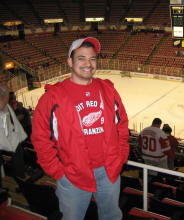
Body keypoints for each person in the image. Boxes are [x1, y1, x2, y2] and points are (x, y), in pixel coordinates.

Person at [31, 37, 129, 220]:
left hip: (109, 171)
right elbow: (40, 138)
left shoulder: (108, 90)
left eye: (92, 59)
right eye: (81, 58)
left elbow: (122, 126)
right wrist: (59, 172)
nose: (88, 64)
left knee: (112, 217)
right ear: (70, 61)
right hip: (72, 174)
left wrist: (120, 157)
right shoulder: (52, 98)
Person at [0, 83, 28, 185]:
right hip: (7, 137)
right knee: (17, 156)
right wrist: (6, 91)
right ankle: (20, 183)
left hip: (8, 135)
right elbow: (1, 104)